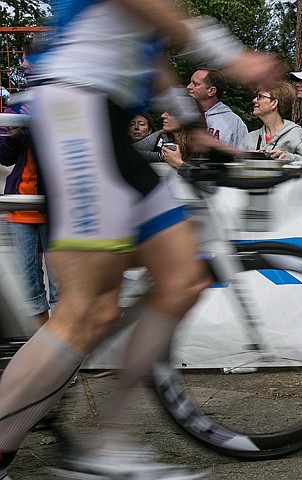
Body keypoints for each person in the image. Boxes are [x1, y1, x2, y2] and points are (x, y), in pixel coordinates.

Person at [0, 0, 283, 477]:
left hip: (101, 117)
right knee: (87, 310)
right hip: (78, 110)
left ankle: (106, 444)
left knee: (183, 278)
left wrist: (193, 125)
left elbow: (150, 54)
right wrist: (231, 55)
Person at [0, 50, 58, 326]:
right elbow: (5, 156)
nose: (22, 64)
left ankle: (67, 360)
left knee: (62, 286)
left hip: (56, 206)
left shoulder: (64, 98)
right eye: (21, 59)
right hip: (20, 204)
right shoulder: (18, 101)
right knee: (30, 285)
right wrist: (12, 136)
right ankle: (46, 348)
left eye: (28, 59)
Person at [241, 81, 302, 162]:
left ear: (274, 103)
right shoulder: (249, 138)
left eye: (260, 96)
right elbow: (236, 165)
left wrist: (288, 157)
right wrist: (247, 157)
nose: (254, 100)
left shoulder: (296, 134)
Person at [187, 68, 248, 148]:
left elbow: (242, 155)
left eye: (195, 84)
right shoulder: (184, 116)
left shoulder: (234, 123)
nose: (188, 86)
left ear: (211, 91)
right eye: (190, 82)